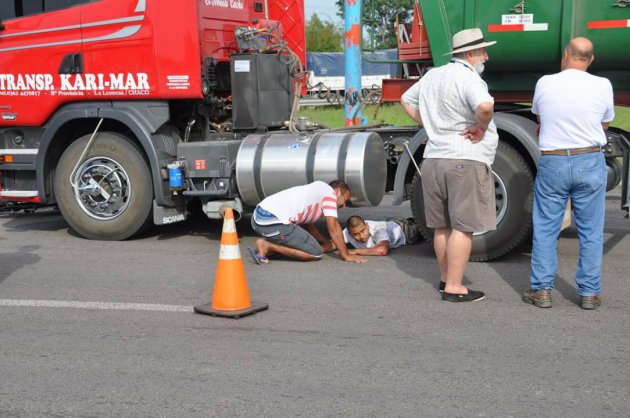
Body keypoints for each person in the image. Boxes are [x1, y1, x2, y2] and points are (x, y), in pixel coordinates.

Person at [400, 28, 498, 302]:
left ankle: (445, 280)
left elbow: (405, 99)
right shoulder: (469, 78)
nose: (486, 57)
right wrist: (481, 127)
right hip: (464, 158)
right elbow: (486, 108)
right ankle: (456, 287)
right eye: (482, 51)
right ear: (469, 54)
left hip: (433, 159)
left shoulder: (432, 75)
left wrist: (427, 123)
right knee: (463, 226)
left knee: (442, 226)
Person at [522, 37, 614, 310]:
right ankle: (589, 293)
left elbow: (540, 117)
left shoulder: (545, 82)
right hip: (589, 159)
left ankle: (541, 290)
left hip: (555, 160)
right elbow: (605, 123)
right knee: (590, 231)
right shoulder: (603, 84)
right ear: (591, 60)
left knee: (547, 227)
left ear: (565, 56)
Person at [249, 180, 367, 264]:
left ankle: (271, 246)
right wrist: (346, 255)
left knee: (309, 244)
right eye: (345, 200)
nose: (344, 205)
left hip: (258, 217)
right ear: (338, 191)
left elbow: (308, 226)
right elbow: (334, 227)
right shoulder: (330, 194)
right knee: (315, 253)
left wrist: (326, 242)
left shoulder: (317, 188)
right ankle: (268, 246)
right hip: (272, 222)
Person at [343, 215, 417, 256]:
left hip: (404, 229)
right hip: (390, 222)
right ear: (350, 233)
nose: (361, 236)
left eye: (363, 231)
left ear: (367, 226)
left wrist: (355, 251)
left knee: (425, 228)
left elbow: (383, 250)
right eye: (356, 234)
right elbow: (334, 242)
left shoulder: (378, 230)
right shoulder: (347, 232)